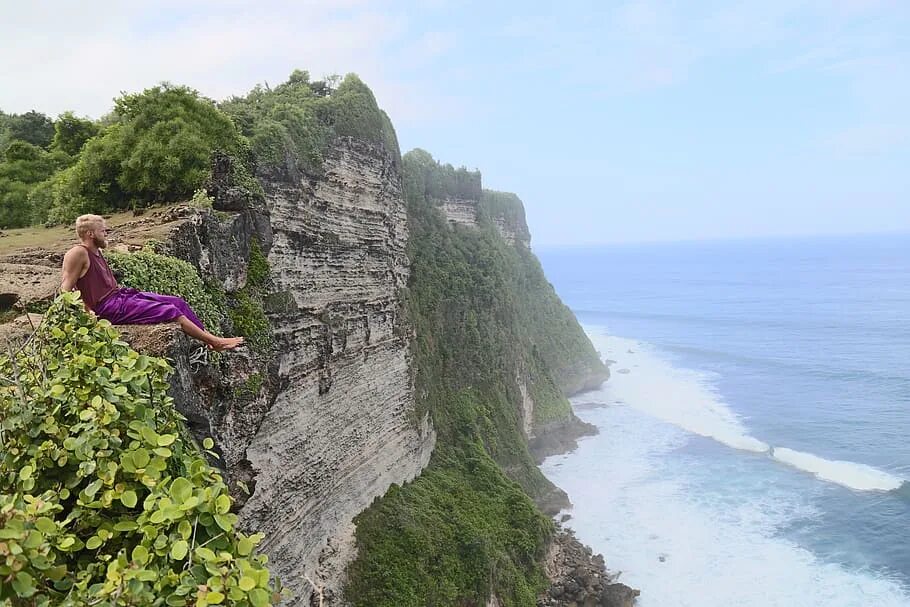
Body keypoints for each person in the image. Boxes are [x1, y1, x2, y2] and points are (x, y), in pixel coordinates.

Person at [60, 214, 244, 351]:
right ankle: (215, 342)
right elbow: (66, 290)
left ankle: (209, 339)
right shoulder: (78, 253)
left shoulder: (97, 250)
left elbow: (82, 286)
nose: (106, 233)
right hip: (108, 307)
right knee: (171, 312)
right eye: (103, 231)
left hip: (119, 296)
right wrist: (87, 312)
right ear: (91, 234)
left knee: (177, 302)